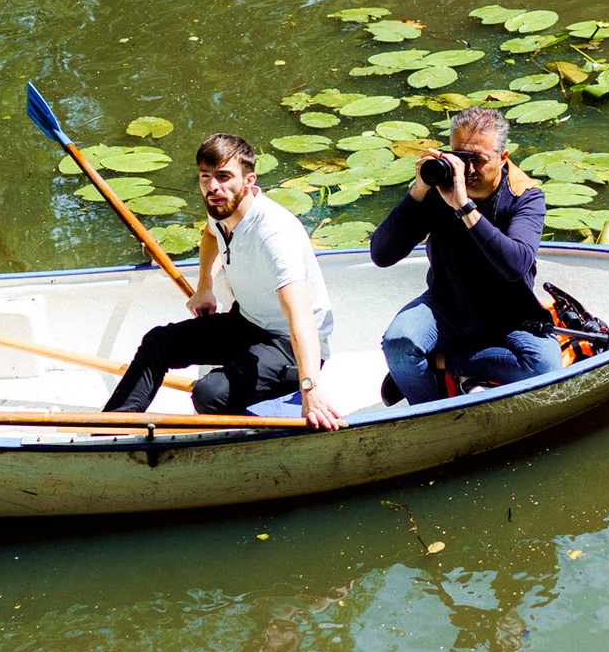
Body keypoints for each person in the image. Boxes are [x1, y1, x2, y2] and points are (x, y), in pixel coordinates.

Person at [103, 133, 345, 429]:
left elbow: (301, 316)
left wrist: (311, 387)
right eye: (205, 177)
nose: (213, 187)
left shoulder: (274, 234)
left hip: (289, 346)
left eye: (224, 176)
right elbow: (210, 234)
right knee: (158, 343)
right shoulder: (222, 208)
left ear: (249, 180)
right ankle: (111, 427)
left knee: (209, 394)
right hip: (247, 322)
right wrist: (205, 286)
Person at [368, 106, 564, 404]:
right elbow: (382, 254)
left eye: (478, 160)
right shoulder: (437, 191)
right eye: (461, 158)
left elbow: (517, 265)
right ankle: (429, 415)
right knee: (398, 344)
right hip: (447, 305)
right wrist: (419, 189)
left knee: (543, 366)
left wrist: (464, 208)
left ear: (503, 158)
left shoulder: (525, 196)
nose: (468, 170)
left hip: (509, 316)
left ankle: (441, 363)